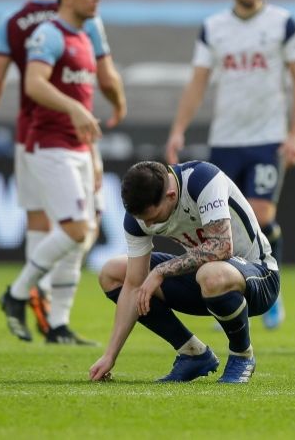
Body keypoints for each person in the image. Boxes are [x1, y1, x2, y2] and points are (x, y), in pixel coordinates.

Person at [0, 0, 124, 344]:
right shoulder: (48, 33)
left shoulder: (71, 30)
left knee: (74, 231)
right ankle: (18, 295)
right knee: (75, 228)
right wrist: (101, 104)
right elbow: (35, 84)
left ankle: (56, 322)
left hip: (76, 143)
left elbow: (0, 82)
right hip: (47, 140)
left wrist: (92, 149)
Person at [164, 0, 295, 330]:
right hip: (225, 141)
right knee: (222, 226)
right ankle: (229, 292)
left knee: (262, 217)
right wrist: (179, 128)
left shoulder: (283, 23)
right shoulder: (214, 28)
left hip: (267, 139)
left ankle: (268, 288)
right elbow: (198, 82)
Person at [88, 160, 280, 384]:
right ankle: (192, 354)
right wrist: (110, 356)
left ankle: (242, 355)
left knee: (211, 274)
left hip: (260, 277)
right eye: (142, 220)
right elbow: (133, 285)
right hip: (205, 281)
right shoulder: (138, 218)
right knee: (112, 273)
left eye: (152, 217)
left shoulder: (202, 179)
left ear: (170, 195)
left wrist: (161, 271)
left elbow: (221, 247)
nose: (147, 224)